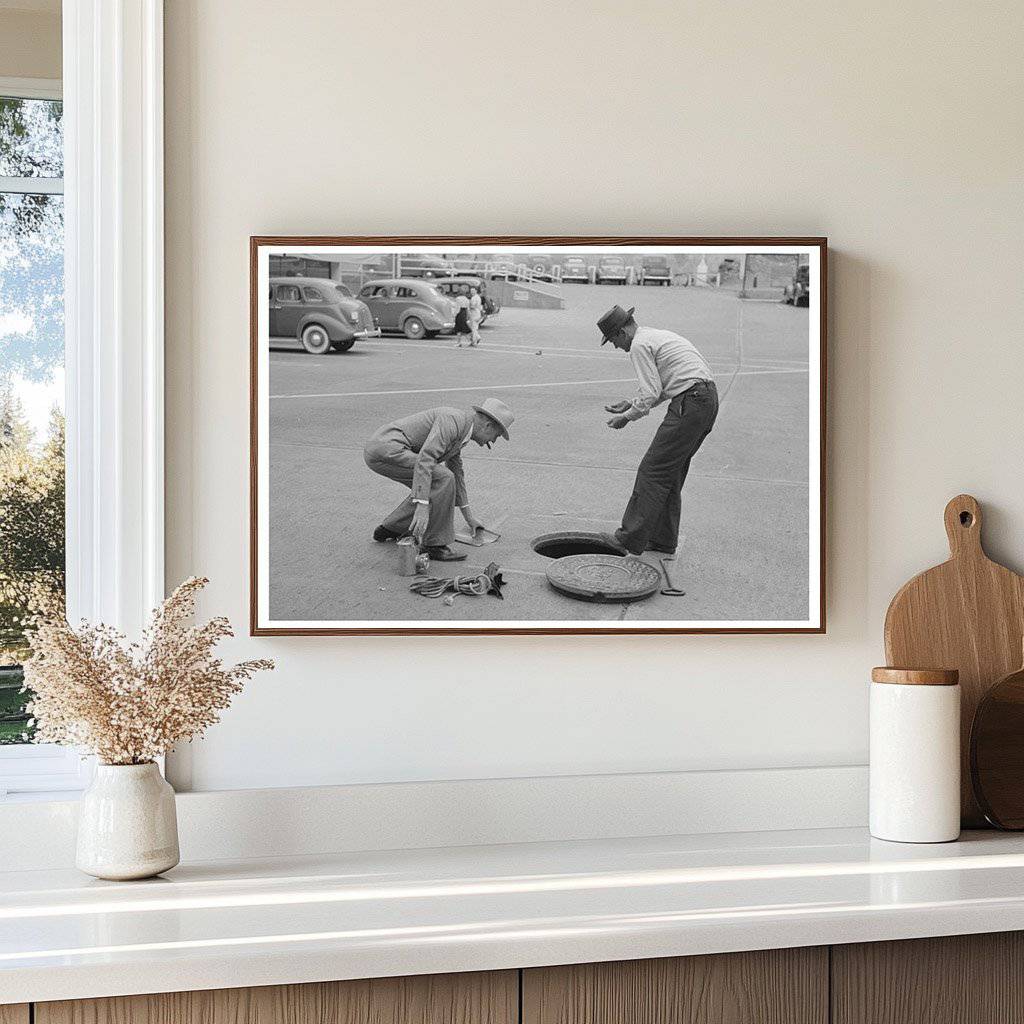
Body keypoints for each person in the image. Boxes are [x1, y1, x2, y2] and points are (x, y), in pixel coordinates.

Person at [597, 304, 718, 556]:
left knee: (652, 470)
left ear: (621, 333)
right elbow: (667, 385)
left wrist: (627, 417)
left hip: (691, 402)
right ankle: (663, 540)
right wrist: (631, 402)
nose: (617, 347)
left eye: (613, 341)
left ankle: (628, 538)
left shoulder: (639, 346)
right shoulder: (654, 335)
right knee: (670, 473)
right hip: (705, 400)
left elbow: (651, 392)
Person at [363, 398, 515, 561]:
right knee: (442, 477)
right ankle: (434, 545)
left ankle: (392, 528)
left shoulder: (462, 429)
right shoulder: (452, 421)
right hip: (387, 449)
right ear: (487, 426)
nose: (493, 441)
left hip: (383, 451)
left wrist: (468, 516)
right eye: (497, 435)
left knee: (440, 482)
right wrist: (422, 505)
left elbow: (457, 473)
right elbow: (426, 459)